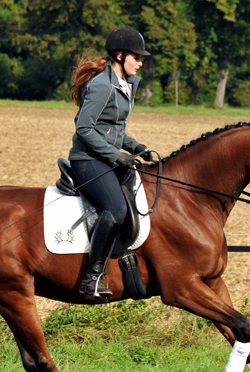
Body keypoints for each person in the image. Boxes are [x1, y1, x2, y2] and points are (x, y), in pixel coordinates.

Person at [68, 26, 152, 299]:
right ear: (120, 55)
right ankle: (92, 277)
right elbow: (84, 128)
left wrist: (136, 146)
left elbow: (112, 127)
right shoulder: (102, 86)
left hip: (105, 156)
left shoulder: (126, 84)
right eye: (136, 57)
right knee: (116, 208)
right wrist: (117, 155)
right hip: (88, 159)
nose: (140, 63)